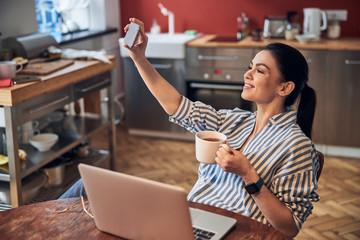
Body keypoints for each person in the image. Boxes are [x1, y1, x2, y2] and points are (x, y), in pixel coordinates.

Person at [61, 18, 320, 238]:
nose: (248, 74)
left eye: (259, 70)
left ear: (284, 87)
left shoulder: (296, 145)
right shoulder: (232, 120)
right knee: (86, 186)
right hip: (189, 218)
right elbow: (176, 104)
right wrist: (139, 57)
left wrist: (249, 176)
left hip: (235, 231)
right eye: (249, 67)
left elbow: (289, 227)